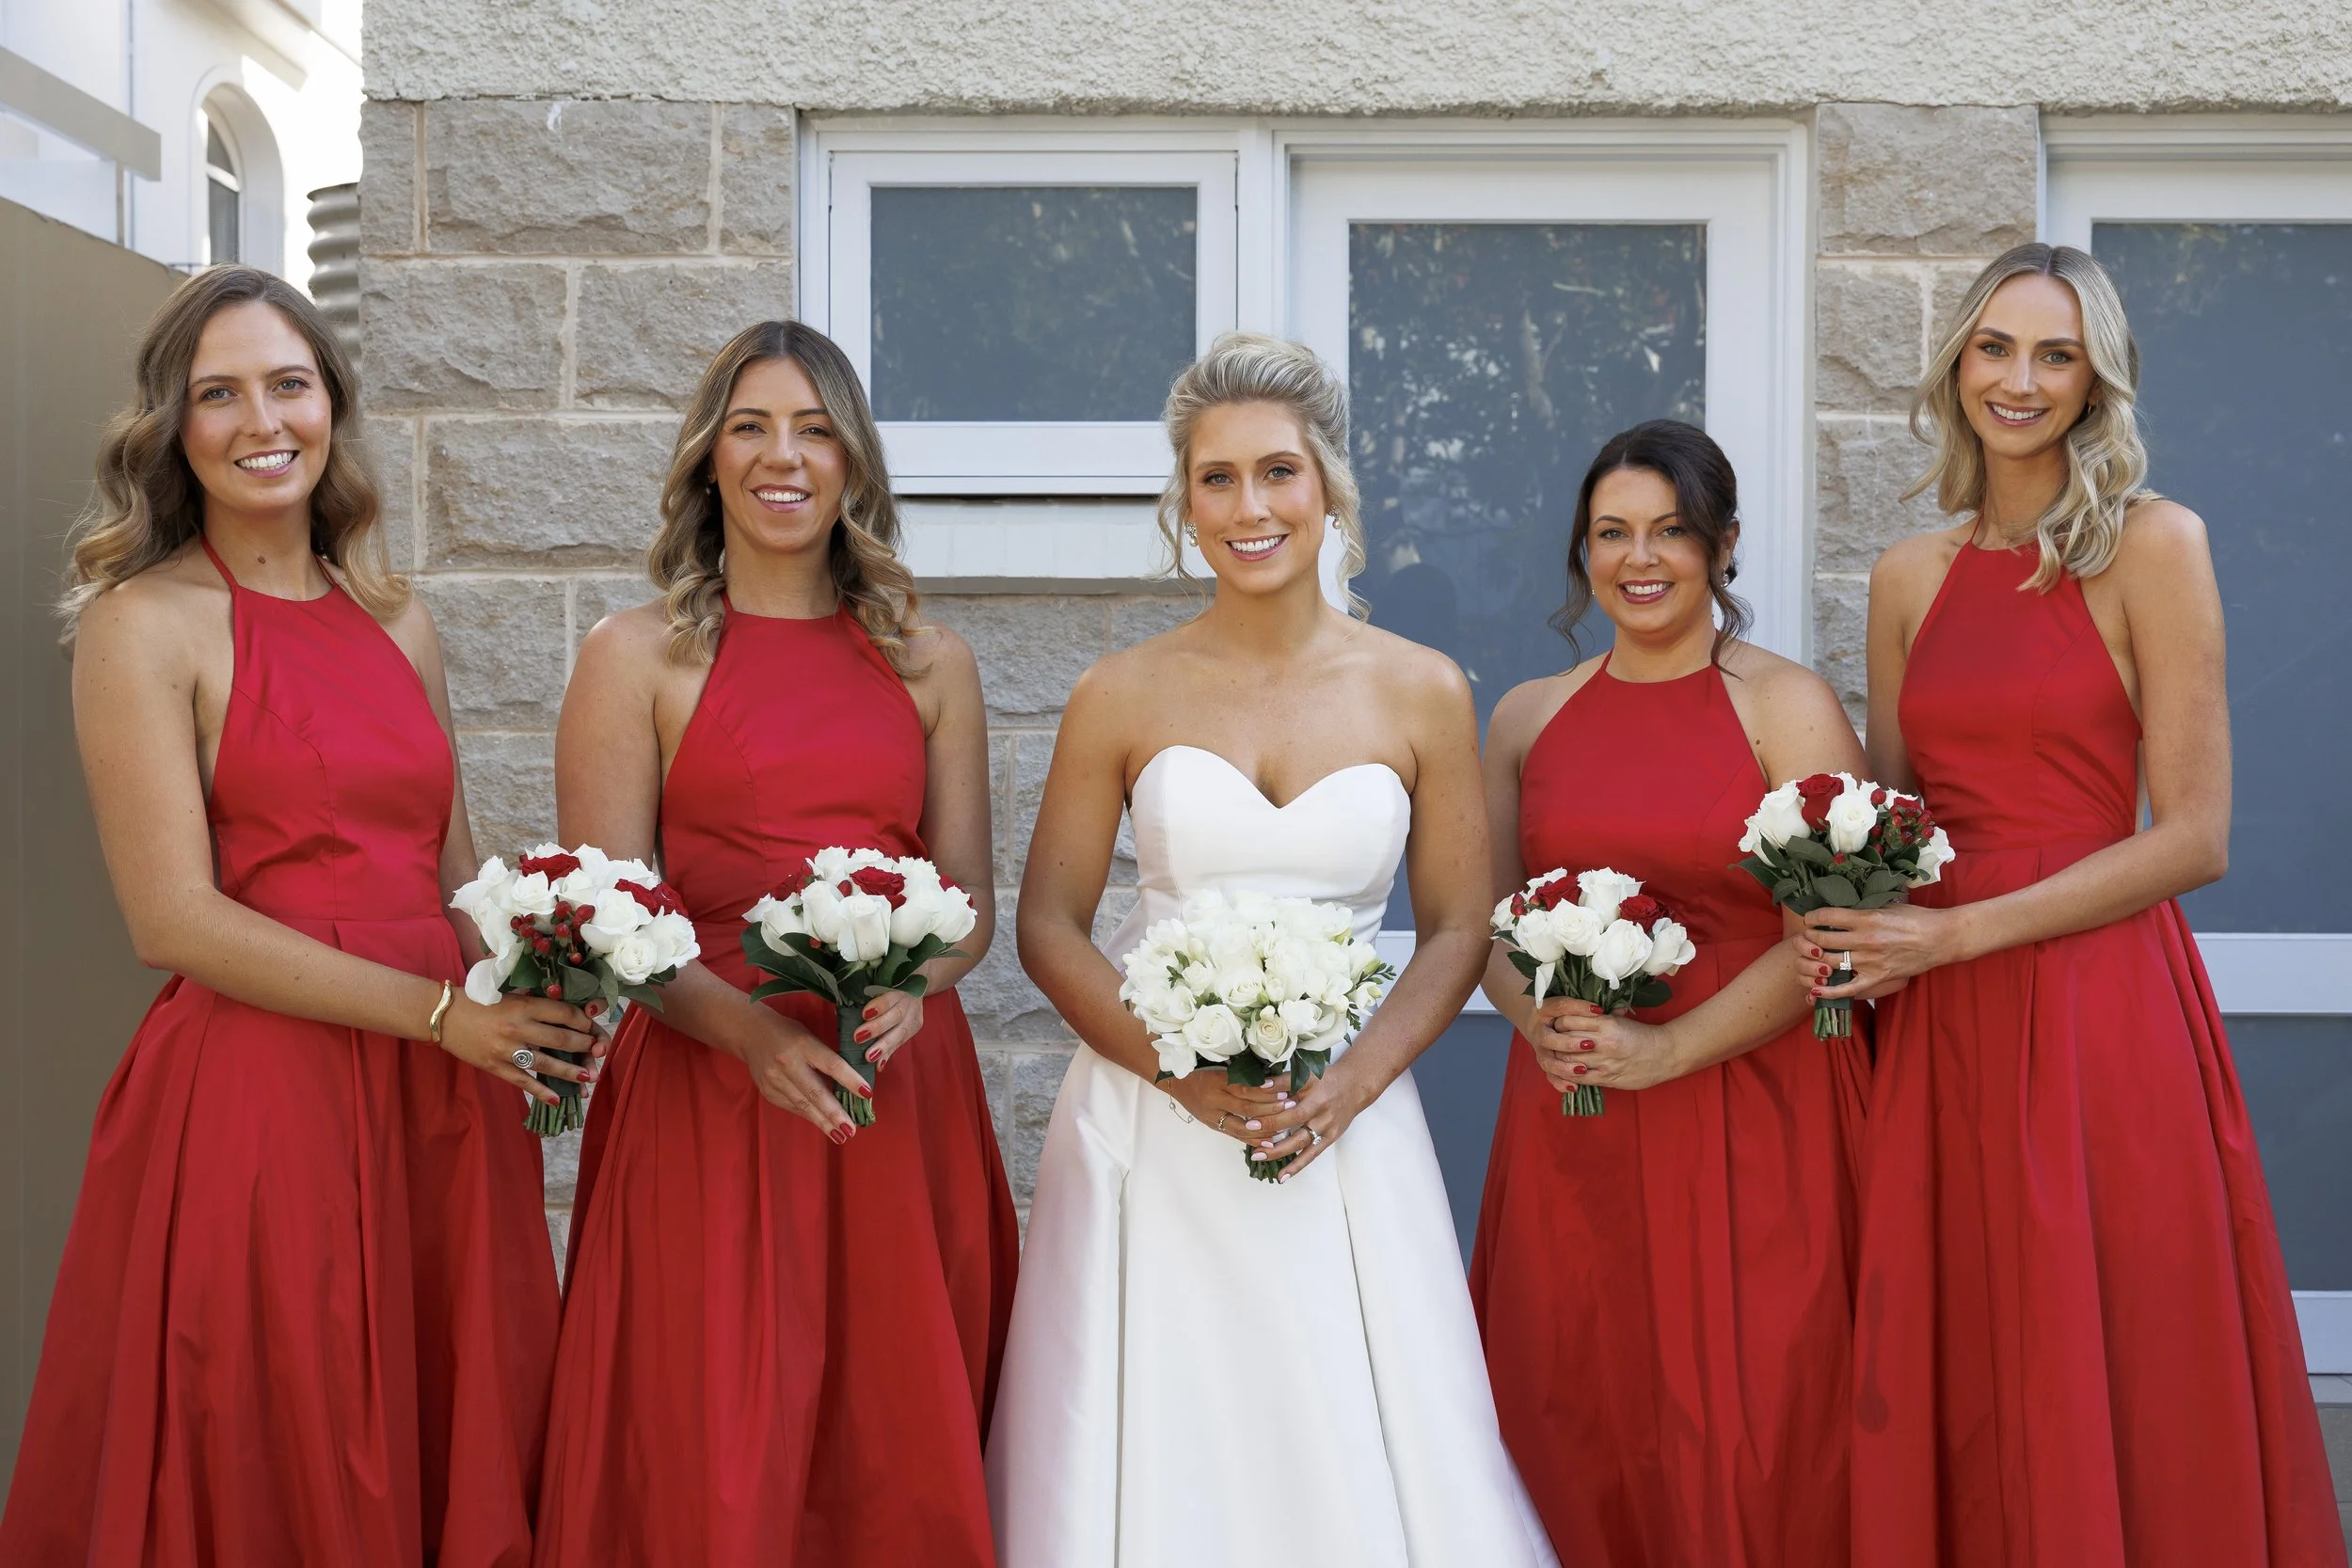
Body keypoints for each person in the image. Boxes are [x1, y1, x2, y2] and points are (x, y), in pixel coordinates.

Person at [0, 265, 589, 1567]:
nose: (261, 419)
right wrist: (442, 1014)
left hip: (444, 1094)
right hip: (265, 1093)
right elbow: (173, 918)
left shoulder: (398, 617)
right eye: (220, 393)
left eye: (288, 383)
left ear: (331, 406)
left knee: (453, 1413)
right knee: (288, 1428)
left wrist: (541, 979)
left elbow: (451, 862)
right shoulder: (140, 624)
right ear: (174, 428)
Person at [1797, 244, 2344, 1567]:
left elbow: (2198, 834)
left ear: (2097, 376)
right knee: (1971, 1337)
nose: (2020, 380)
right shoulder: (1907, 574)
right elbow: (1900, 816)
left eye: (2054, 353)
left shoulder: (2155, 543)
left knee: (2115, 1335)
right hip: (1939, 1015)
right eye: (1994, 348)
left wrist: (1961, 930)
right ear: (1956, 369)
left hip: (2100, 1002)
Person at [987, 332, 1556, 1568]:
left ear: (1330, 487)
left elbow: (1460, 921)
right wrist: (1176, 1073)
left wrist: (1351, 1083)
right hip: (1153, 1117)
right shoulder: (1120, 691)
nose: (1251, 507)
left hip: (1342, 1116)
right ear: (1183, 503)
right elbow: (1047, 922)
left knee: (1345, 1407)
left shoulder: (1420, 689)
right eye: (1217, 478)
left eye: (1279, 472)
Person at [533, 320, 1018, 1566]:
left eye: (813, 429)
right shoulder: (636, 655)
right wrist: (747, 1028)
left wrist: (921, 980)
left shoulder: (929, 663)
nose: (781, 456)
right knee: (712, 1429)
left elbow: (968, 900)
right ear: (708, 460)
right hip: (710, 1087)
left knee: (892, 1423)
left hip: (895, 1090)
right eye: (750, 427)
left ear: (853, 462)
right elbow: (612, 920)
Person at [1470, 420, 1872, 1566]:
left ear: (1723, 545)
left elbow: (1829, 936)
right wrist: (1534, 1017)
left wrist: (1671, 1048)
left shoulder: (1782, 704)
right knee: (1578, 1405)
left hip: (1753, 1112)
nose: (1638, 559)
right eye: (1611, 533)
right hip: (1574, 1122)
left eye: (1671, 531)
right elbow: (1485, 926)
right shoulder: (1525, 716)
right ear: (1581, 551)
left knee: (1755, 1419)